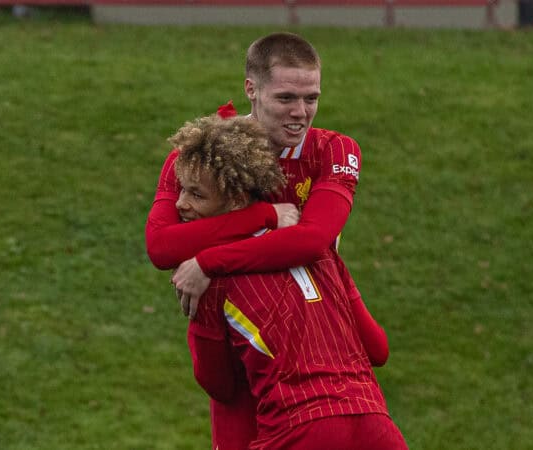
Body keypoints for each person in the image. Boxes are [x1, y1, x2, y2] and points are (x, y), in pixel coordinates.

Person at [145, 32, 391, 448]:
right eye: (286, 98)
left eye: (311, 98)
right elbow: (162, 248)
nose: (301, 112)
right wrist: (266, 216)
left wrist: (208, 262)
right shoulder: (199, 157)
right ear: (250, 90)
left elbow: (311, 241)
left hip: (319, 329)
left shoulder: (333, 149)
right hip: (251, 361)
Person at [168, 113, 408, 449]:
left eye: (196, 194)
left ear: (236, 200)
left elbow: (219, 385)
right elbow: (378, 349)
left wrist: (199, 321)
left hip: (298, 430)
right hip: (374, 425)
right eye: (182, 190)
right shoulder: (322, 253)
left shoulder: (211, 279)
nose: (181, 203)